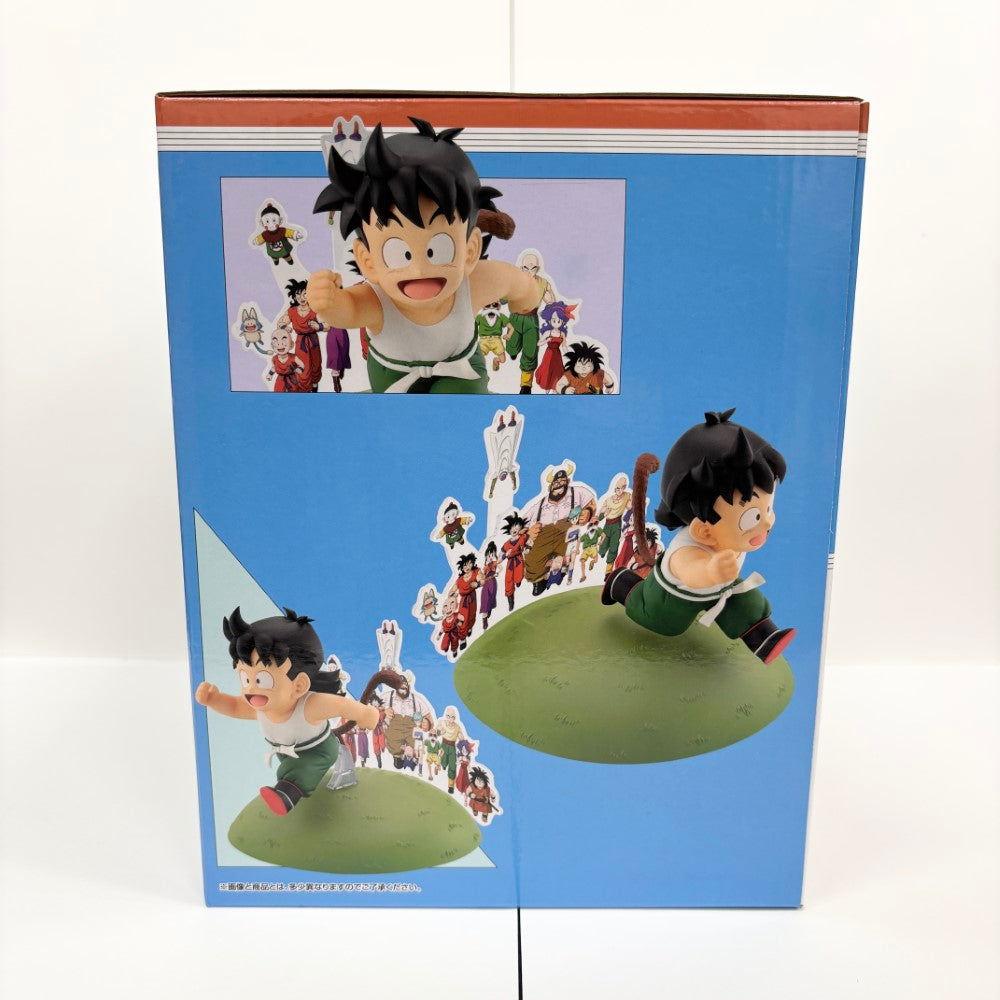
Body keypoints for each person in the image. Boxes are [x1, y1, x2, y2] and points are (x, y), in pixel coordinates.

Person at [309, 118, 546, 393]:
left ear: (470, 252)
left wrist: (528, 299)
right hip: (392, 375)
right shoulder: (376, 299)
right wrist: (329, 302)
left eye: (439, 250)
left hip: (461, 370)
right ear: (368, 261)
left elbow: (516, 283)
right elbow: (348, 311)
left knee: (456, 404)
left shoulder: (474, 283)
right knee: (395, 414)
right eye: (399, 253)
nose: (420, 270)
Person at [602, 409, 796, 664]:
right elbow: (689, 570)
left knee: (747, 601)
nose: (767, 522)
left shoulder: (728, 536)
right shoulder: (686, 549)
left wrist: (719, 576)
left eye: (768, 508)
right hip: (674, 597)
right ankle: (622, 584)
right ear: (704, 531)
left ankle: (763, 638)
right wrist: (711, 571)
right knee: (664, 622)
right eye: (753, 517)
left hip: (720, 587)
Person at [195, 607, 378, 815]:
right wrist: (214, 700)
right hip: (287, 753)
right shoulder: (261, 707)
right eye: (245, 679)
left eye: (261, 680)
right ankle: (287, 788)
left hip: (317, 751)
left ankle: (286, 796)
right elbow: (236, 707)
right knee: (290, 769)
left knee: (300, 771)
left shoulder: (310, 706)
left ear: (299, 685)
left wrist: (366, 714)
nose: (251, 689)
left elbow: (342, 706)